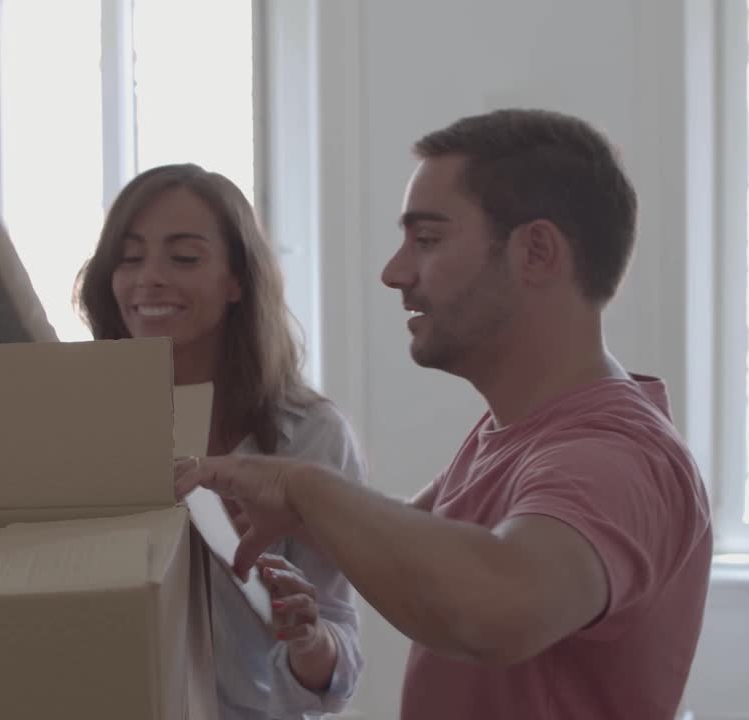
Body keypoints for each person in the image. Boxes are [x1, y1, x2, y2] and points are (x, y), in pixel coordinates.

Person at [176, 109, 713, 720]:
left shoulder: (614, 456)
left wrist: (303, 485)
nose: (394, 272)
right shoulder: (512, 432)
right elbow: (426, 543)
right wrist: (303, 516)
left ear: (536, 252)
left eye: (427, 240)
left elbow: (500, 607)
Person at [0, 164, 365, 720]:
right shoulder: (76, 416)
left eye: (183, 257)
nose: (149, 278)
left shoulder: (312, 436)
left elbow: (337, 664)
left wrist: (309, 641)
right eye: (129, 258)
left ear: (238, 280)